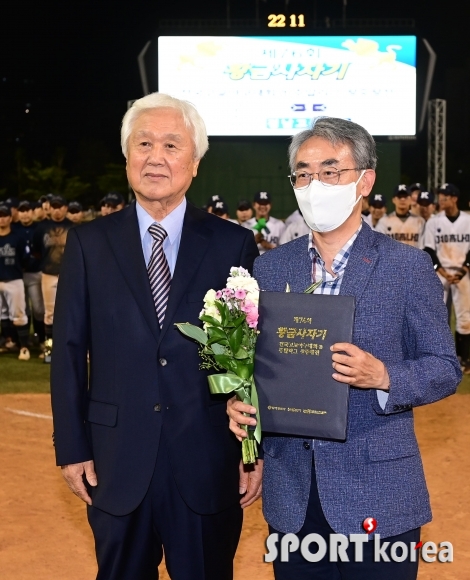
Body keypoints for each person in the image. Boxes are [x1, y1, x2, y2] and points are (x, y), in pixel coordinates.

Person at [227, 117, 461, 580]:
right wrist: (240, 401)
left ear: (365, 180)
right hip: (293, 497)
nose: (315, 184)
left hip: (380, 495)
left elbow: (444, 366)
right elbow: (257, 365)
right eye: (303, 173)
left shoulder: (407, 266)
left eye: (330, 171)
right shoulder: (269, 268)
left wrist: (386, 377)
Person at [50, 92, 260, 580]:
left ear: (195, 162)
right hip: (114, 460)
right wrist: (71, 446)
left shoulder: (233, 243)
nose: (156, 157)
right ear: (127, 158)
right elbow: (67, 350)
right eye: (143, 143)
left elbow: (247, 356)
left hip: (207, 460)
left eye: (171, 144)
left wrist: (253, 449)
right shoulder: (88, 243)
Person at [424, 183, 470, 373]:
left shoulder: (468, 220)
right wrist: (443, 272)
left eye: (445, 196)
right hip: (440, 274)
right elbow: (428, 250)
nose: (441, 200)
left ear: (454, 198)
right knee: (437, 316)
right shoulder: (433, 222)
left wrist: (462, 271)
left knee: (465, 317)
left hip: (463, 273)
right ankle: (438, 358)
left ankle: (464, 358)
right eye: (440, 196)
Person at [33, 194, 74, 362]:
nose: (57, 210)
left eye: (60, 206)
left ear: (65, 208)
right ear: (50, 208)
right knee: (49, 314)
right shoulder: (41, 228)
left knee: (74, 313)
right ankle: (50, 350)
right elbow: (37, 251)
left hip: (70, 274)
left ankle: (75, 350)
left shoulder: (74, 227)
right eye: (54, 206)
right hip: (49, 273)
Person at [0, 203, 31, 360]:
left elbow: (25, 258)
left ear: (10, 218)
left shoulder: (17, 237)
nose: (2, 218)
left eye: (4, 215)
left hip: (14, 279)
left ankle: (24, 347)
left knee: (19, 314)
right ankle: (8, 341)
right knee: (2, 313)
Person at [16, 200, 46, 349]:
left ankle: (41, 338)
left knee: (39, 308)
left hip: (35, 273)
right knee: (22, 309)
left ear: (33, 212)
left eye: (28, 210)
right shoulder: (14, 228)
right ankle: (23, 340)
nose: (25, 213)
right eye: (22, 210)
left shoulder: (39, 228)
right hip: (18, 275)